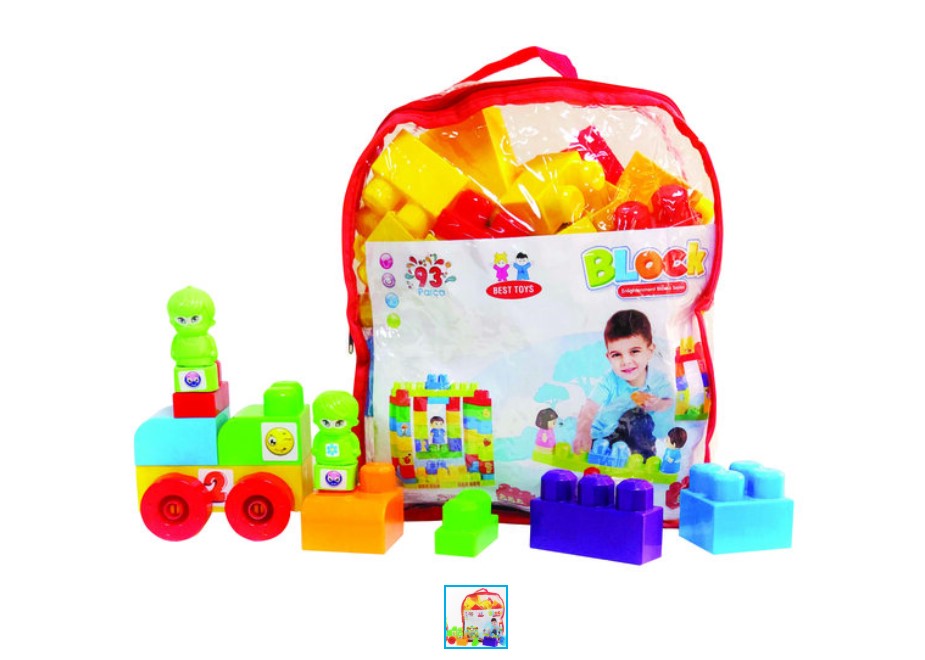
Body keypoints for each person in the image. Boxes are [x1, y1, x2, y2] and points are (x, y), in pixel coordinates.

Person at [573, 309, 673, 455]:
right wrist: (583, 431)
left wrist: (658, 404)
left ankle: (642, 454)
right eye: (617, 355)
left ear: (650, 351)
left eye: (634, 351)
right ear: (608, 357)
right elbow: (590, 407)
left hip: (637, 436)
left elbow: (671, 403)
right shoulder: (609, 381)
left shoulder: (659, 380)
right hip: (607, 435)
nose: (626, 361)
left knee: (639, 417)